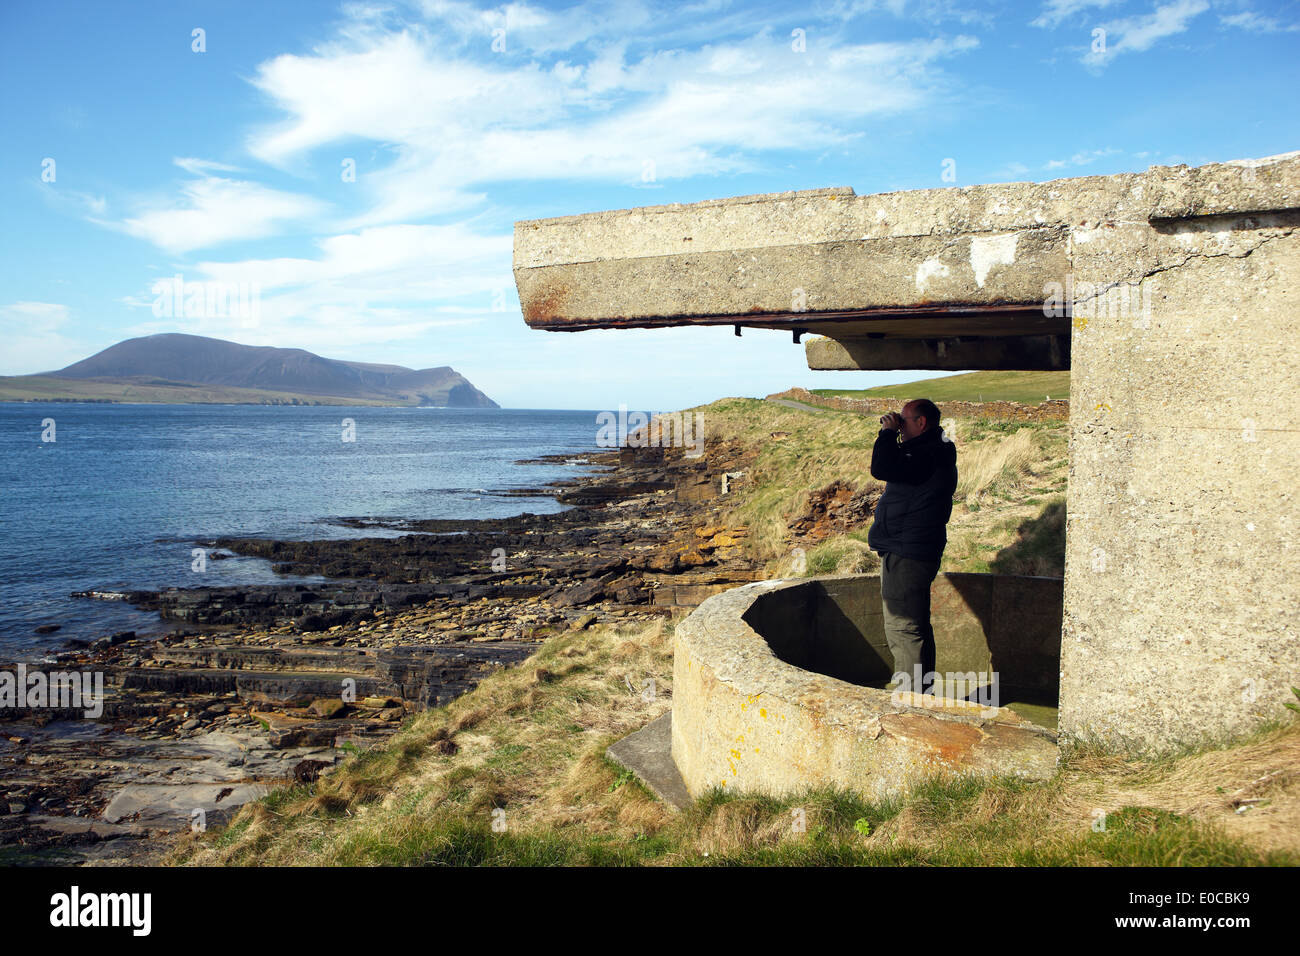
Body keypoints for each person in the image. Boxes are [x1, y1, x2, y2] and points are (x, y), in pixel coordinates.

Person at [866, 399, 958, 696]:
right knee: (916, 625)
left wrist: (886, 434)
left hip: (907, 551)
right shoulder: (934, 450)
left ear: (921, 423)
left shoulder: (928, 453)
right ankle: (922, 695)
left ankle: (909, 703)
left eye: (904, 422)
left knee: (903, 628)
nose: (900, 427)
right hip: (915, 547)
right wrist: (895, 436)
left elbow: (881, 467)